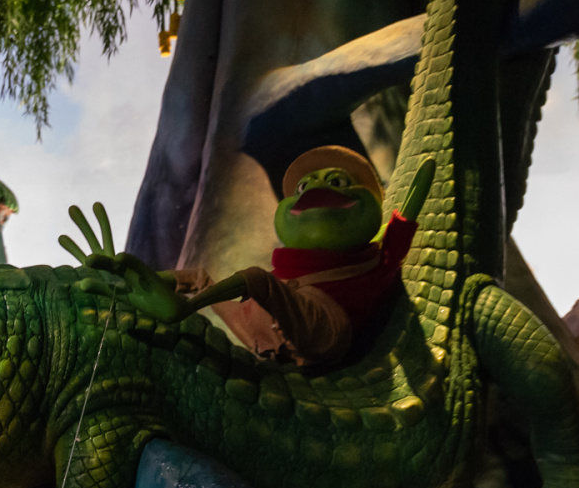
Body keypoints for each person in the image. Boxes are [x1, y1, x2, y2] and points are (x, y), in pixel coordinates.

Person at [61, 145, 435, 366]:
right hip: (273, 333)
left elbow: (399, 232)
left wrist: (413, 199)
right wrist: (137, 277)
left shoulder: (372, 262)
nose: (316, 187)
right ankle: (138, 285)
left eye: (336, 181)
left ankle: (183, 309)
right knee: (203, 278)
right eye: (305, 186)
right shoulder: (291, 277)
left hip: (328, 329)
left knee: (258, 280)